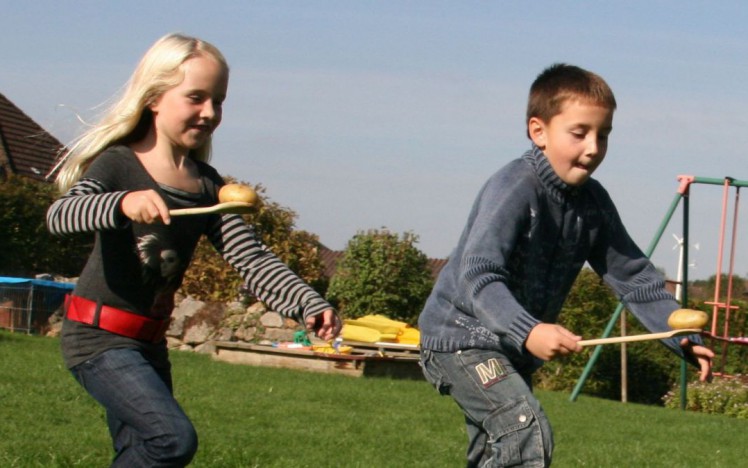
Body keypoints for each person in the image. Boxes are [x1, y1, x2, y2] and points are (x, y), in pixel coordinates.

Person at [46, 33, 341, 467]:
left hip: (149, 345)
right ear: (154, 97)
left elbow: (251, 257)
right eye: (195, 97)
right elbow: (61, 214)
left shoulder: (206, 185)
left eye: (218, 101)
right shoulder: (119, 164)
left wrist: (307, 302)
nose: (209, 112)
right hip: (98, 339)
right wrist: (122, 202)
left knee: (142, 452)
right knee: (171, 440)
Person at [417, 63, 714, 467]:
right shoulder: (514, 188)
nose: (593, 147)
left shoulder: (593, 204)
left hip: (510, 350)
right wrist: (531, 330)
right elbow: (478, 275)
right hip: (460, 340)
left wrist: (677, 335)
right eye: (580, 133)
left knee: (495, 449)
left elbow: (634, 279)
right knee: (524, 430)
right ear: (538, 131)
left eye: (603, 135)